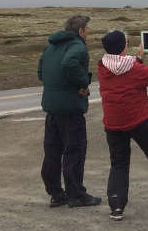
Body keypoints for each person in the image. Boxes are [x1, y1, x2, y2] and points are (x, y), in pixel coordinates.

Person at [97, 30, 148, 221]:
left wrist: (137, 59)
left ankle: (117, 206)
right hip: (139, 120)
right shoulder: (133, 68)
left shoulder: (102, 66)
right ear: (124, 46)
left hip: (113, 122)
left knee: (119, 163)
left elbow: (122, 69)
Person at [37, 14, 101, 208]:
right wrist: (82, 82)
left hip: (52, 108)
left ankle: (56, 193)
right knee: (74, 150)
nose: (88, 34)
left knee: (52, 151)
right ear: (81, 31)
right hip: (71, 109)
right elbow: (69, 63)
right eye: (87, 30)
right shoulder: (78, 47)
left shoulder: (50, 47)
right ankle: (76, 194)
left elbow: (41, 72)